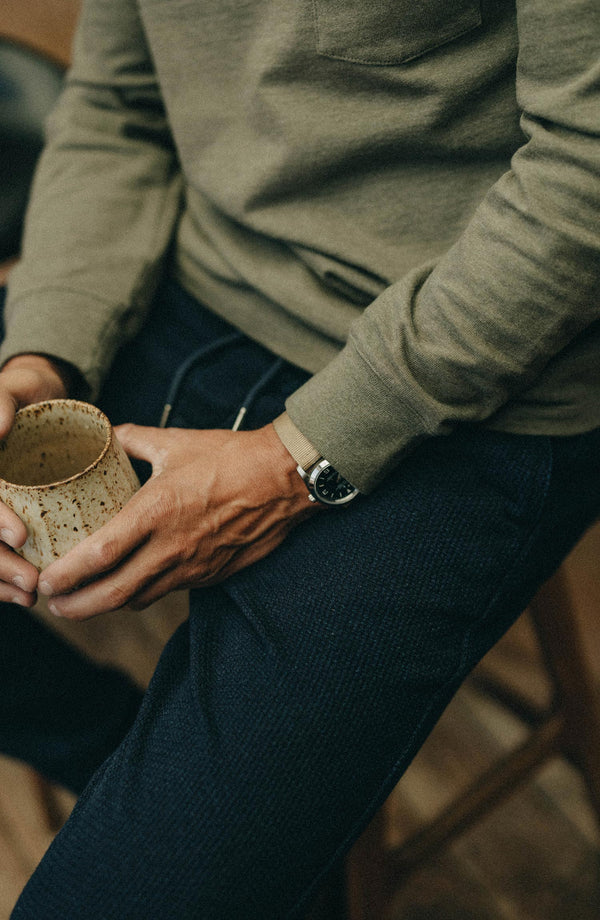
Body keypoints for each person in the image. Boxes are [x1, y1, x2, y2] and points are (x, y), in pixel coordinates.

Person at [1, 0, 599, 916]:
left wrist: (301, 459)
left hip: (488, 370)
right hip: (198, 280)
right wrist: (40, 353)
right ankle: (126, 758)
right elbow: (122, 104)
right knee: (176, 841)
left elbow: (585, 172)